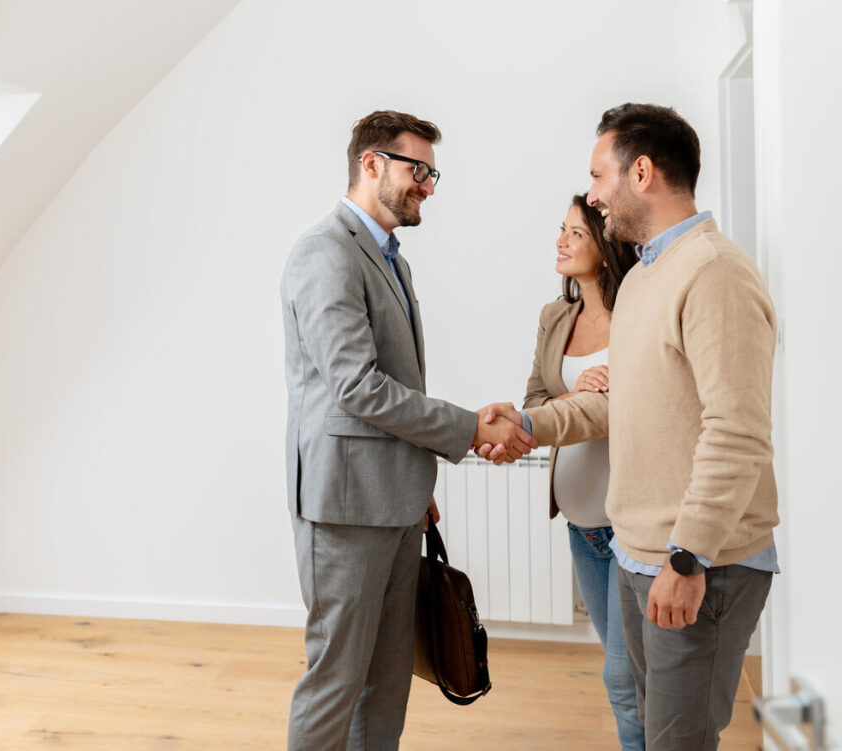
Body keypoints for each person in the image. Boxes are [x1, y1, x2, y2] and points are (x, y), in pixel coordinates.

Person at [480, 103, 779, 750]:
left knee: (679, 740)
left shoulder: (714, 272)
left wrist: (687, 554)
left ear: (640, 171)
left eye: (598, 176)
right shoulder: (644, 276)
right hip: (636, 553)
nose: (591, 195)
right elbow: (618, 402)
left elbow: (739, 430)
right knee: (648, 727)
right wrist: (530, 419)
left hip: (702, 561)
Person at [280, 110, 535, 751]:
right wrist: (466, 427)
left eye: (432, 172)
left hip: (392, 500)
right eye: (416, 169)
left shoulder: (391, 258)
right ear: (372, 164)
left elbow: (395, 387)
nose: (427, 184)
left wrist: (414, 481)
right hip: (343, 507)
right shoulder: (325, 252)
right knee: (336, 678)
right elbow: (357, 386)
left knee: (388, 678)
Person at [523, 194, 642, 749]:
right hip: (581, 525)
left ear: (606, 242)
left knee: (624, 676)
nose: (561, 241)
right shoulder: (555, 317)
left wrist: (608, 385)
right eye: (561, 230)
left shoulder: (641, 310)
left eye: (576, 232)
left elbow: (653, 407)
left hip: (633, 524)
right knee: (627, 672)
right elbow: (537, 397)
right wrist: (576, 390)